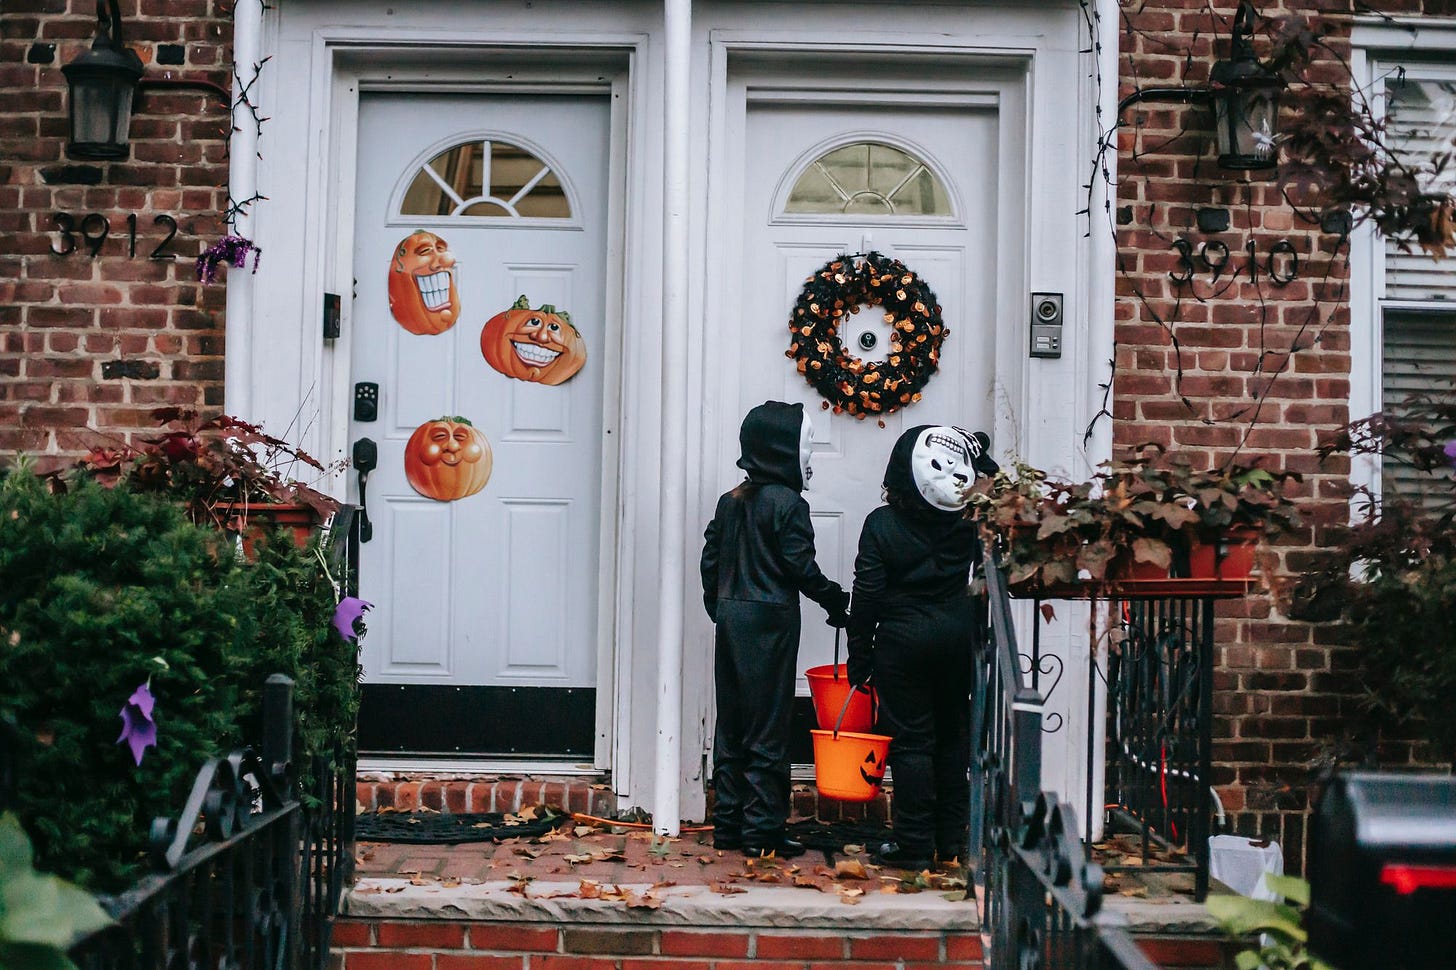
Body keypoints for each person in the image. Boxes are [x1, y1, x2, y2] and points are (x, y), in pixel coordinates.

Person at [701, 400, 851, 858]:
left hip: (732, 616)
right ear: (785, 451)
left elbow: (711, 557)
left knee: (732, 722)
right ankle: (762, 830)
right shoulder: (789, 504)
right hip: (770, 622)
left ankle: (728, 824)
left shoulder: (731, 501)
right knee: (768, 724)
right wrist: (834, 598)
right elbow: (799, 566)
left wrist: (718, 605)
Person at [846, 425, 997, 870]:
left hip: (902, 643)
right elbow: (994, 483)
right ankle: (950, 841)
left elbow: (867, 594)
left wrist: (859, 653)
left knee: (911, 743)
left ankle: (913, 844)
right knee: (952, 737)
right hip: (957, 635)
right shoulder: (969, 523)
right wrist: (978, 458)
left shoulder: (881, 524)